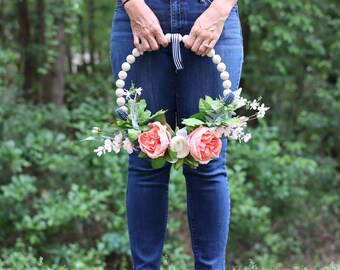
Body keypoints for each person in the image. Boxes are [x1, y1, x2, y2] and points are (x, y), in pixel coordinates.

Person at [109, 0, 243, 269]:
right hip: (137, 13)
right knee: (145, 159)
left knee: (208, 161)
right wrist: (133, 5)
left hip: (212, 12)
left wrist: (220, 10)